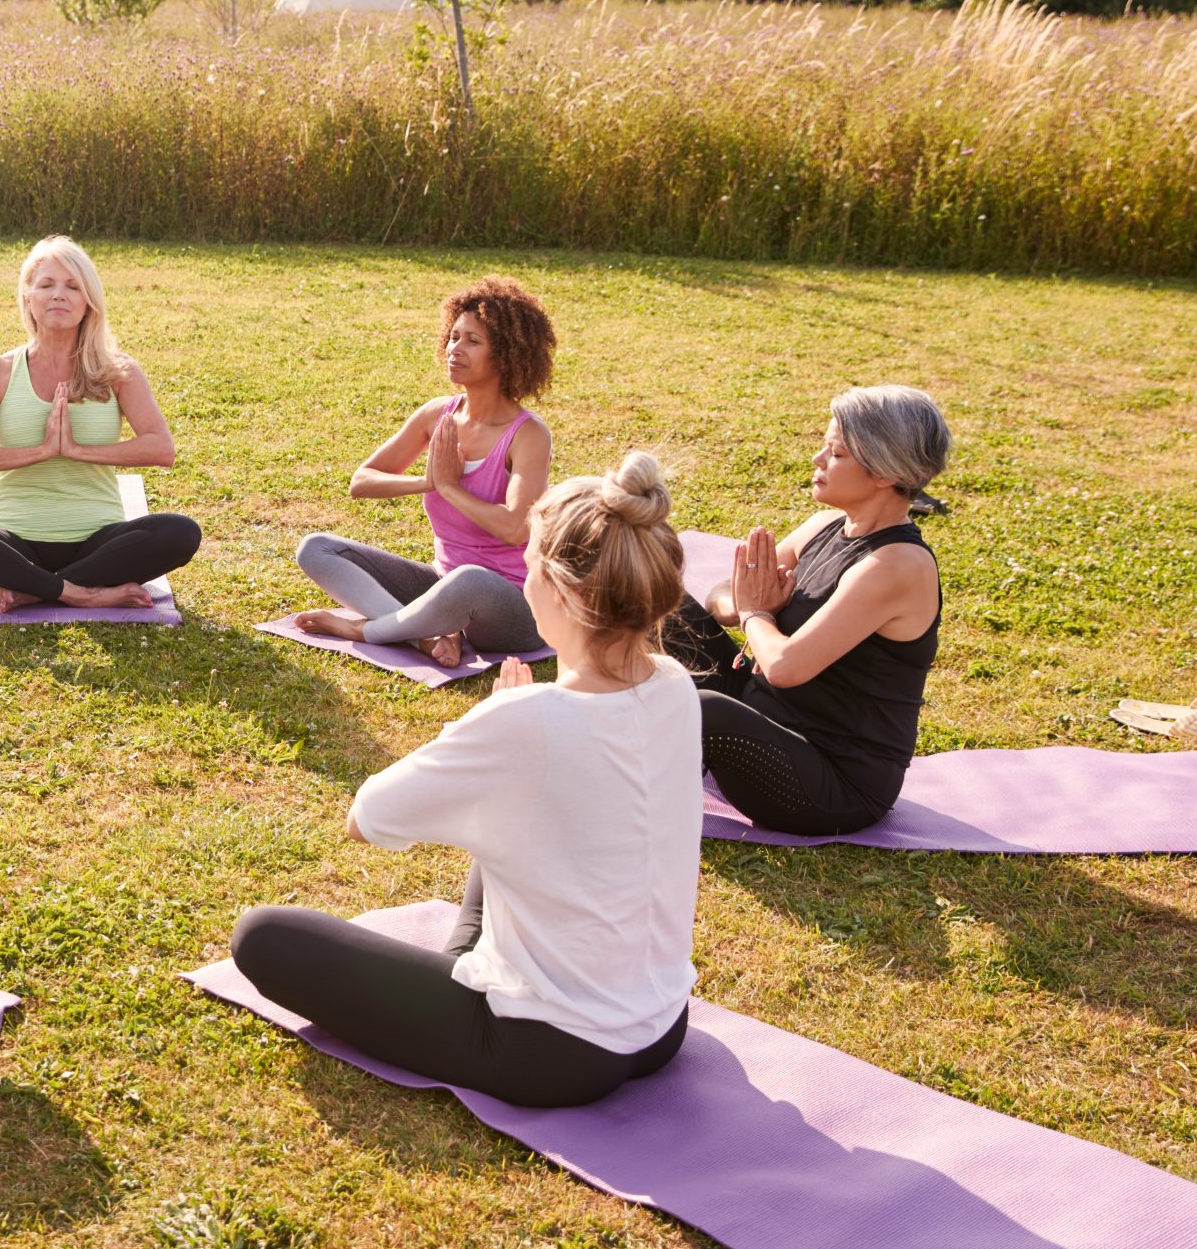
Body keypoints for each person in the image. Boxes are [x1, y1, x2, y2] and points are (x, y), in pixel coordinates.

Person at [230, 453, 698, 1109]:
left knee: (262, 936)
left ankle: (459, 980)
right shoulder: (674, 686)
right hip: (659, 1024)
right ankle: (462, 971)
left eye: (530, 562)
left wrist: (496, 725)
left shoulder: (525, 721)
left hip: (554, 1050)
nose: (524, 576)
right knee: (516, 813)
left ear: (559, 590)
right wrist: (512, 743)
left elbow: (366, 818)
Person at [663, 386, 950, 837]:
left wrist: (757, 612)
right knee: (660, 604)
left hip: (830, 781)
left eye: (835, 453)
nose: (817, 459)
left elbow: (783, 666)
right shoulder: (825, 526)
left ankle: (609, 785)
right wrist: (748, 605)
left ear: (882, 472)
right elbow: (724, 593)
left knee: (700, 709)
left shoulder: (897, 565)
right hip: (761, 712)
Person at [0, 236, 201, 612]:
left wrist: (76, 451)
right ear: (27, 297)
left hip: (98, 540)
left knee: (179, 532)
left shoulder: (118, 372)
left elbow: (161, 449)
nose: (59, 295)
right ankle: (82, 592)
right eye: (47, 284)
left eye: (73, 286)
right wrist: (40, 452)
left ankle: (35, 590)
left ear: (88, 302)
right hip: (13, 541)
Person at [294, 277, 558, 667]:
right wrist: (428, 481)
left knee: (469, 579)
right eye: (453, 337)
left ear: (505, 354)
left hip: (512, 604)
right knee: (316, 548)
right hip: (442, 586)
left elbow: (514, 528)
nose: (455, 350)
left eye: (472, 341)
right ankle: (427, 637)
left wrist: (450, 488)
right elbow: (362, 481)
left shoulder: (529, 435)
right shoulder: (438, 414)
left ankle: (365, 630)